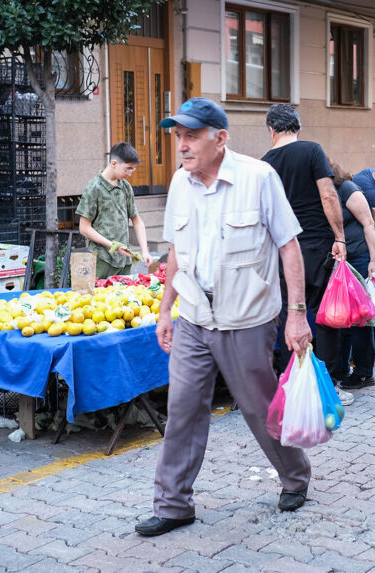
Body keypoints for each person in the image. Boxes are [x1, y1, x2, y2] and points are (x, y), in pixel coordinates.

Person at [135, 98, 313, 537]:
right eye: (178, 136)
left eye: (191, 136)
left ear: (220, 138)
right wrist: (164, 309)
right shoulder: (180, 183)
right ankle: (174, 504)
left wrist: (296, 315)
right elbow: (177, 252)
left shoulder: (258, 177)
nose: (182, 145)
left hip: (248, 317)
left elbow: (289, 246)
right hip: (195, 316)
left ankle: (295, 476)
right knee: (182, 409)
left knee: (258, 406)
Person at [261, 104, 353, 406]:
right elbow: (328, 194)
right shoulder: (312, 150)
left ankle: (294, 387)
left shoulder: (264, 164)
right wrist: (340, 236)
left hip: (283, 251)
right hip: (317, 246)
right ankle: (328, 386)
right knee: (326, 316)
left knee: (291, 314)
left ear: (271, 131)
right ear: (297, 128)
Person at [327, 160, 375, 391]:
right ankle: (341, 369)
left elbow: (369, 224)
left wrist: (373, 260)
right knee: (340, 318)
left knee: (360, 319)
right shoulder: (322, 193)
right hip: (338, 262)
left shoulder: (347, 189)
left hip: (357, 259)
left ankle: (363, 372)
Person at [76, 142, 154, 278]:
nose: (130, 173)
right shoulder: (94, 187)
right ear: (114, 164)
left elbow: (137, 221)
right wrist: (113, 246)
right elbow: (84, 228)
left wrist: (144, 251)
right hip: (101, 260)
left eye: (132, 169)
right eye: (128, 169)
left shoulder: (126, 187)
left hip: (124, 261)